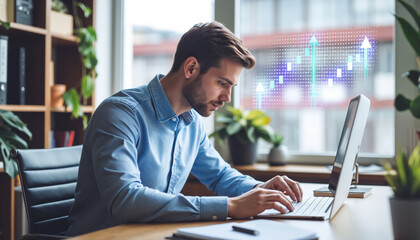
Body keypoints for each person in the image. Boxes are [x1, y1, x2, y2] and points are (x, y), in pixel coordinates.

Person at [67, 21, 303, 236]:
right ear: (191, 68)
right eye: (222, 83)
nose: (227, 97)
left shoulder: (191, 122)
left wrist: (260, 190)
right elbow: (125, 200)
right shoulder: (119, 114)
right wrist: (230, 206)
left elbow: (219, 175)